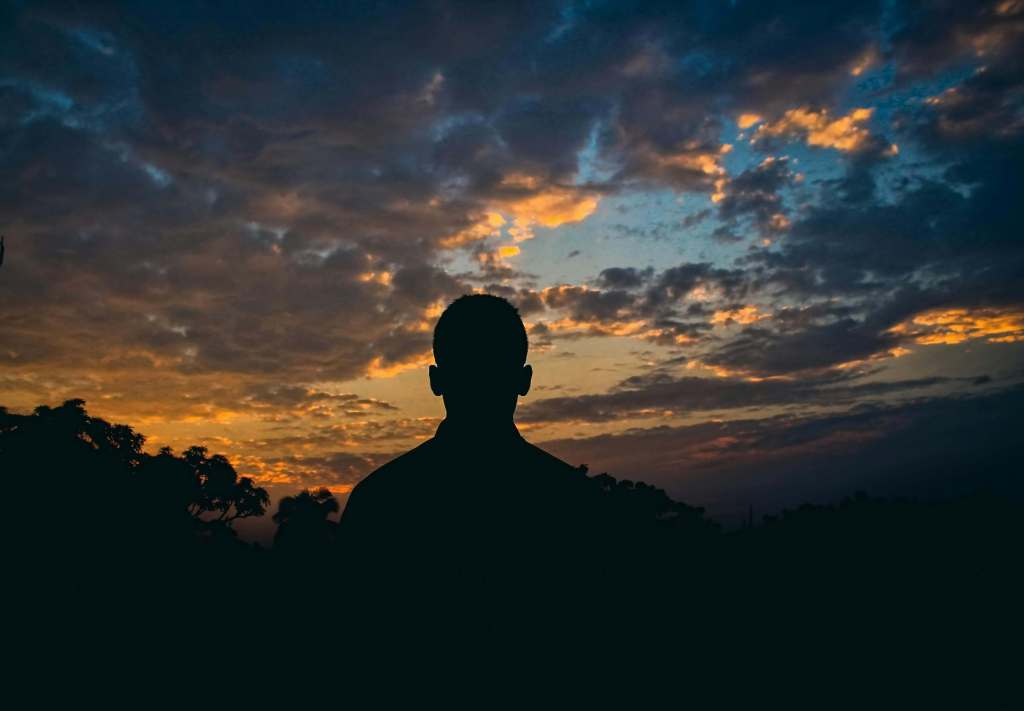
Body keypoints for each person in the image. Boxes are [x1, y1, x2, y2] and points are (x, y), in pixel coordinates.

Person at [338, 294, 603, 592]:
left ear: (435, 381)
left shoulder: (381, 500)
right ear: (524, 380)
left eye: (488, 369)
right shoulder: (576, 501)